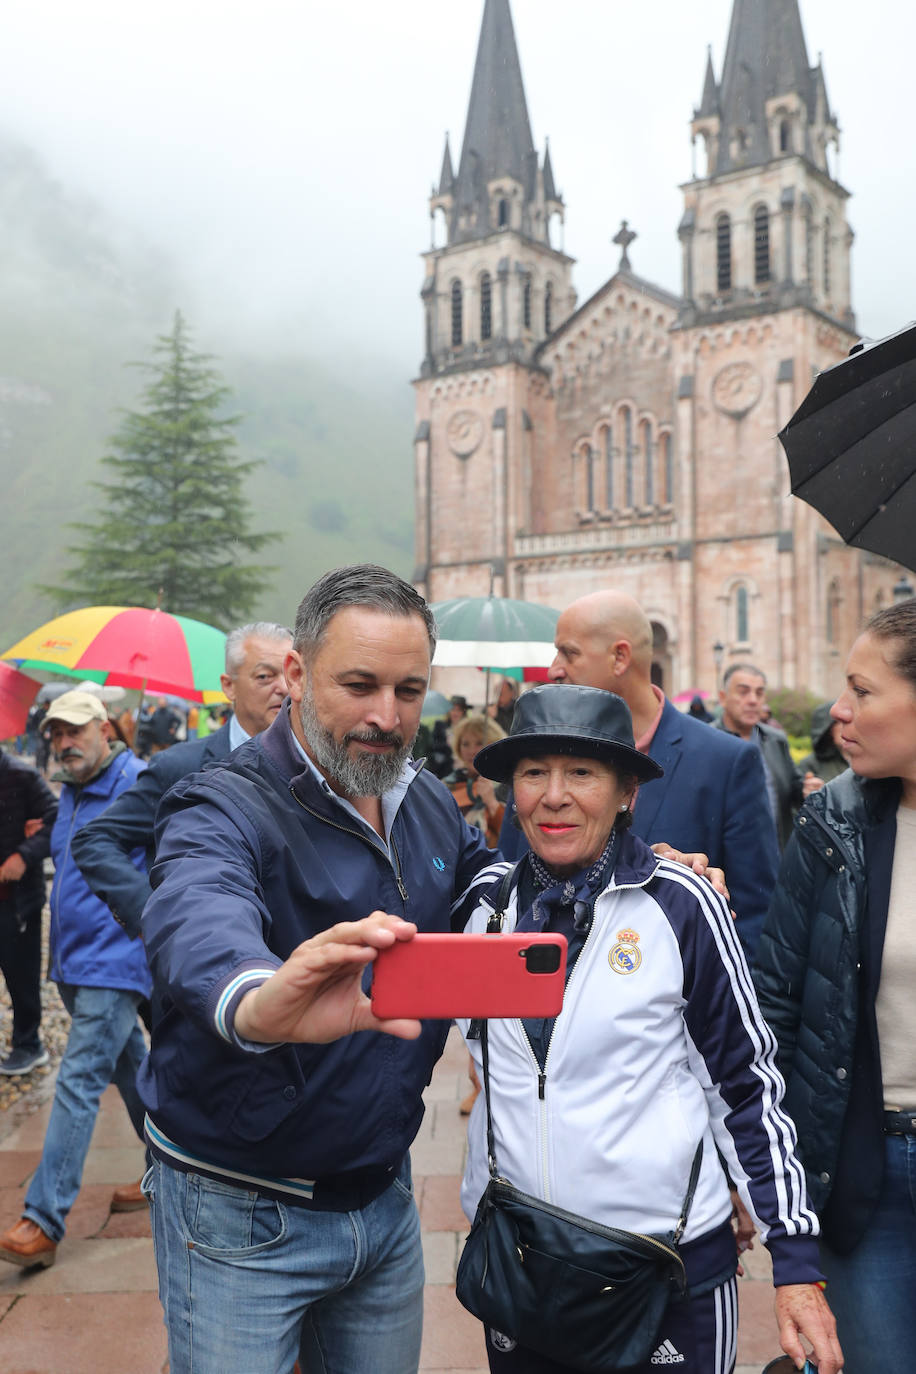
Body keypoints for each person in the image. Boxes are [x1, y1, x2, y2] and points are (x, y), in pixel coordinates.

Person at [136, 565, 495, 1374]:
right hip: (239, 1211)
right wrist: (255, 1000)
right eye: (359, 685)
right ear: (295, 674)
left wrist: (627, 876)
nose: (386, 716)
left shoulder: (424, 799)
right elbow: (198, 910)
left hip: (383, 1197)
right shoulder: (222, 803)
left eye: (409, 690)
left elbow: (489, 885)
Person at [459, 683, 842, 1374]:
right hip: (521, 1262)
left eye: (582, 772)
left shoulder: (681, 903)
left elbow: (745, 1087)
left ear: (627, 793)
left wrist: (794, 1260)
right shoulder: (484, 910)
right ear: (512, 792)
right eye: (534, 772)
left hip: (665, 1266)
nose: (554, 796)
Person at [754, 599, 916, 1371]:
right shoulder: (831, 826)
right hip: (863, 1171)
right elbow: (778, 1007)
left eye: (863, 689)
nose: (838, 710)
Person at [499, 591, 780, 959]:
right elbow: (506, 878)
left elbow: (756, 919)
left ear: (620, 657)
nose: (554, 670)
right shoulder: (536, 761)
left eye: (569, 653)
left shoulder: (724, 761)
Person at [0, 691, 149, 1270]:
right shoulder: (71, 792)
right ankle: (175, 1166)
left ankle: (43, 1217)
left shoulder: (138, 784)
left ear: (105, 729)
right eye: (57, 734)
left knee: (79, 1079)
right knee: (133, 1069)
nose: (65, 743)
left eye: (76, 731)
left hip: (116, 960)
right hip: (73, 960)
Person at [72, 621, 292, 943]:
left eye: (291, 674)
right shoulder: (181, 768)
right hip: (204, 953)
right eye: (264, 676)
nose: (283, 687)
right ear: (229, 686)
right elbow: (94, 839)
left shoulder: (318, 767)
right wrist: (152, 914)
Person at [0, 746, 58, 1074]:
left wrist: (23, 855)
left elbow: (57, 821)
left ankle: (28, 1043)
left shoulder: (21, 776)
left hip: (16, 902)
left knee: (21, 976)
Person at [714, 663, 816, 849]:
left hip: (776, 851)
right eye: (743, 692)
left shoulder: (775, 740)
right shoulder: (708, 740)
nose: (753, 700)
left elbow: (792, 786)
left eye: (759, 693)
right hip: (722, 857)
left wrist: (806, 789)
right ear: (723, 698)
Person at [445, 713, 506, 847]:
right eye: (465, 744)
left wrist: (491, 802)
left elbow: (514, 835)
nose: (472, 751)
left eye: (479, 743)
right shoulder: (445, 786)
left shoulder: (508, 784)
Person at [797, 700, 848, 784]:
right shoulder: (810, 764)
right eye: (839, 722)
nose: (846, 727)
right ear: (827, 731)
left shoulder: (865, 761)